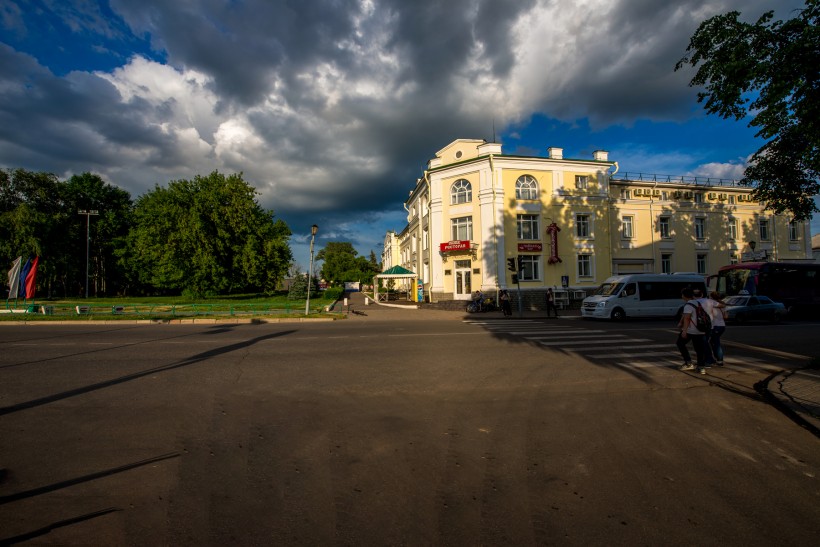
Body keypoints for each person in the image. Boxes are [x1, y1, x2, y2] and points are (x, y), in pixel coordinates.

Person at [677, 287, 711, 374]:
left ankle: (688, 363)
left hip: (691, 330)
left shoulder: (688, 305)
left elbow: (687, 318)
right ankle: (701, 367)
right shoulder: (698, 303)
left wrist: (684, 331)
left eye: (682, 295)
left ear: (684, 296)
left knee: (680, 343)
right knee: (700, 349)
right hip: (701, 330)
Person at [707, 291, 727, 366]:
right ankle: (718, 359)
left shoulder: (712, 305)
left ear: (711, 297)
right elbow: (726, 316)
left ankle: (719, 360)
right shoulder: (723, 305)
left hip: (715, 326)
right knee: (714, 342)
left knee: (716, 343)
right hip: (722, 325)